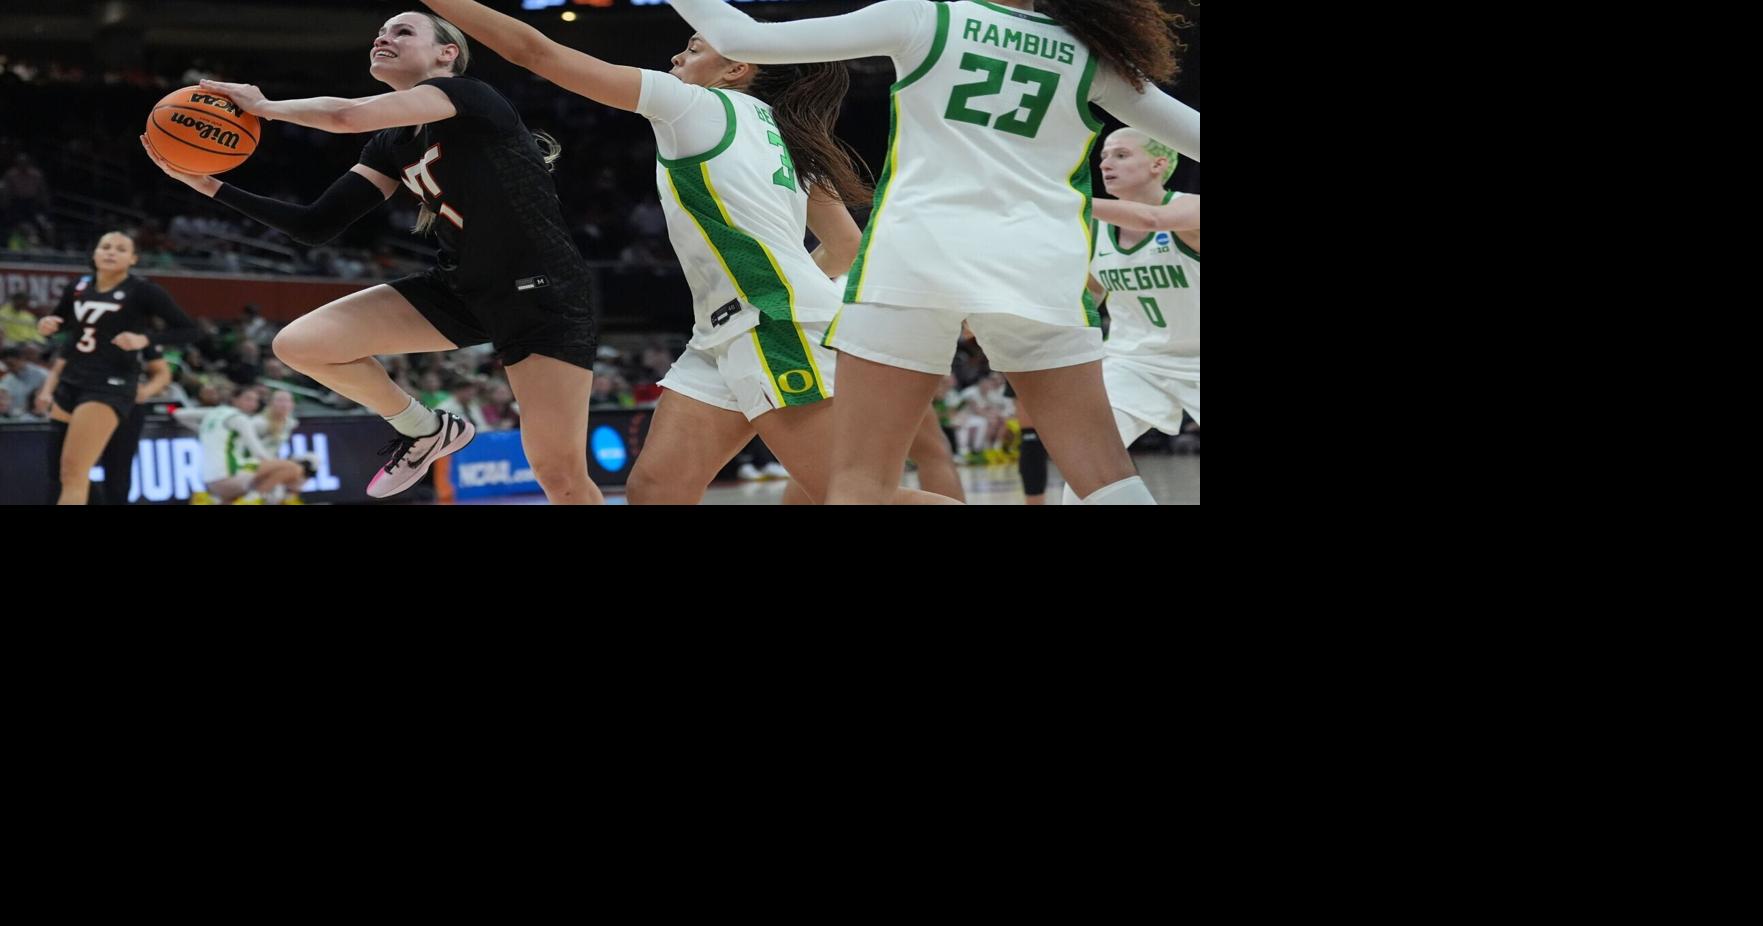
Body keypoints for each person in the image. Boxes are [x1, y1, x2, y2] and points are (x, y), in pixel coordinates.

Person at [665, 0, 1198, 504]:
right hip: (1038, 265)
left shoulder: (925, 18)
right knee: (1105, 475)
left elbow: (739, 36)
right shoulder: (1090, 54)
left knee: (860, 483)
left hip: (914, 260)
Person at [140, 10, 602, 503]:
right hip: (461, 288)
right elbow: (315, 225)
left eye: (403, 31)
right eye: (380, 32)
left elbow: (345, 116)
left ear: (447, 54)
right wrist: (211, 186)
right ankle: (424, 428)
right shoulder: (390, 144)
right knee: (300, 345)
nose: (384, 37)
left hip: (540, 291)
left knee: (559, 475)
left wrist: (266, 107)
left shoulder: (471, 96)